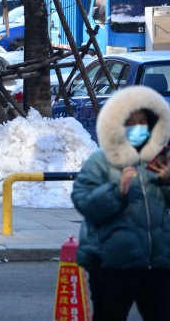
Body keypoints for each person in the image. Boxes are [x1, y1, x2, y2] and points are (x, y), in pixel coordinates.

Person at [71, 85, 170, 321]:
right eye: (130, 122)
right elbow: (83, 201)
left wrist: (167, 180)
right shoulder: (101, 161)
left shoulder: (160, 158)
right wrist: (117, 192)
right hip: (112, 263)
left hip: (157, 262)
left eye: (143, 121)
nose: (138, 128)